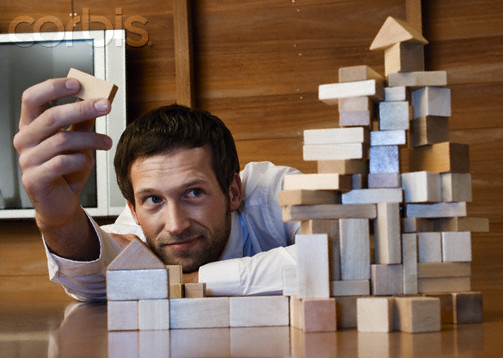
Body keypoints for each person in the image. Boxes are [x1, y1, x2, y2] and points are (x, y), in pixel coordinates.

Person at [14, 76, 300, 301]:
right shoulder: (134, 235)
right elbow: (91, 283)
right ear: (133, 211)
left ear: (233, 192)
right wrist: (58, 220)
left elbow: (334, 253)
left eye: (194, 193)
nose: (175, 225)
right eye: (153, 199)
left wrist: (178, 282)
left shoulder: (274, 190)